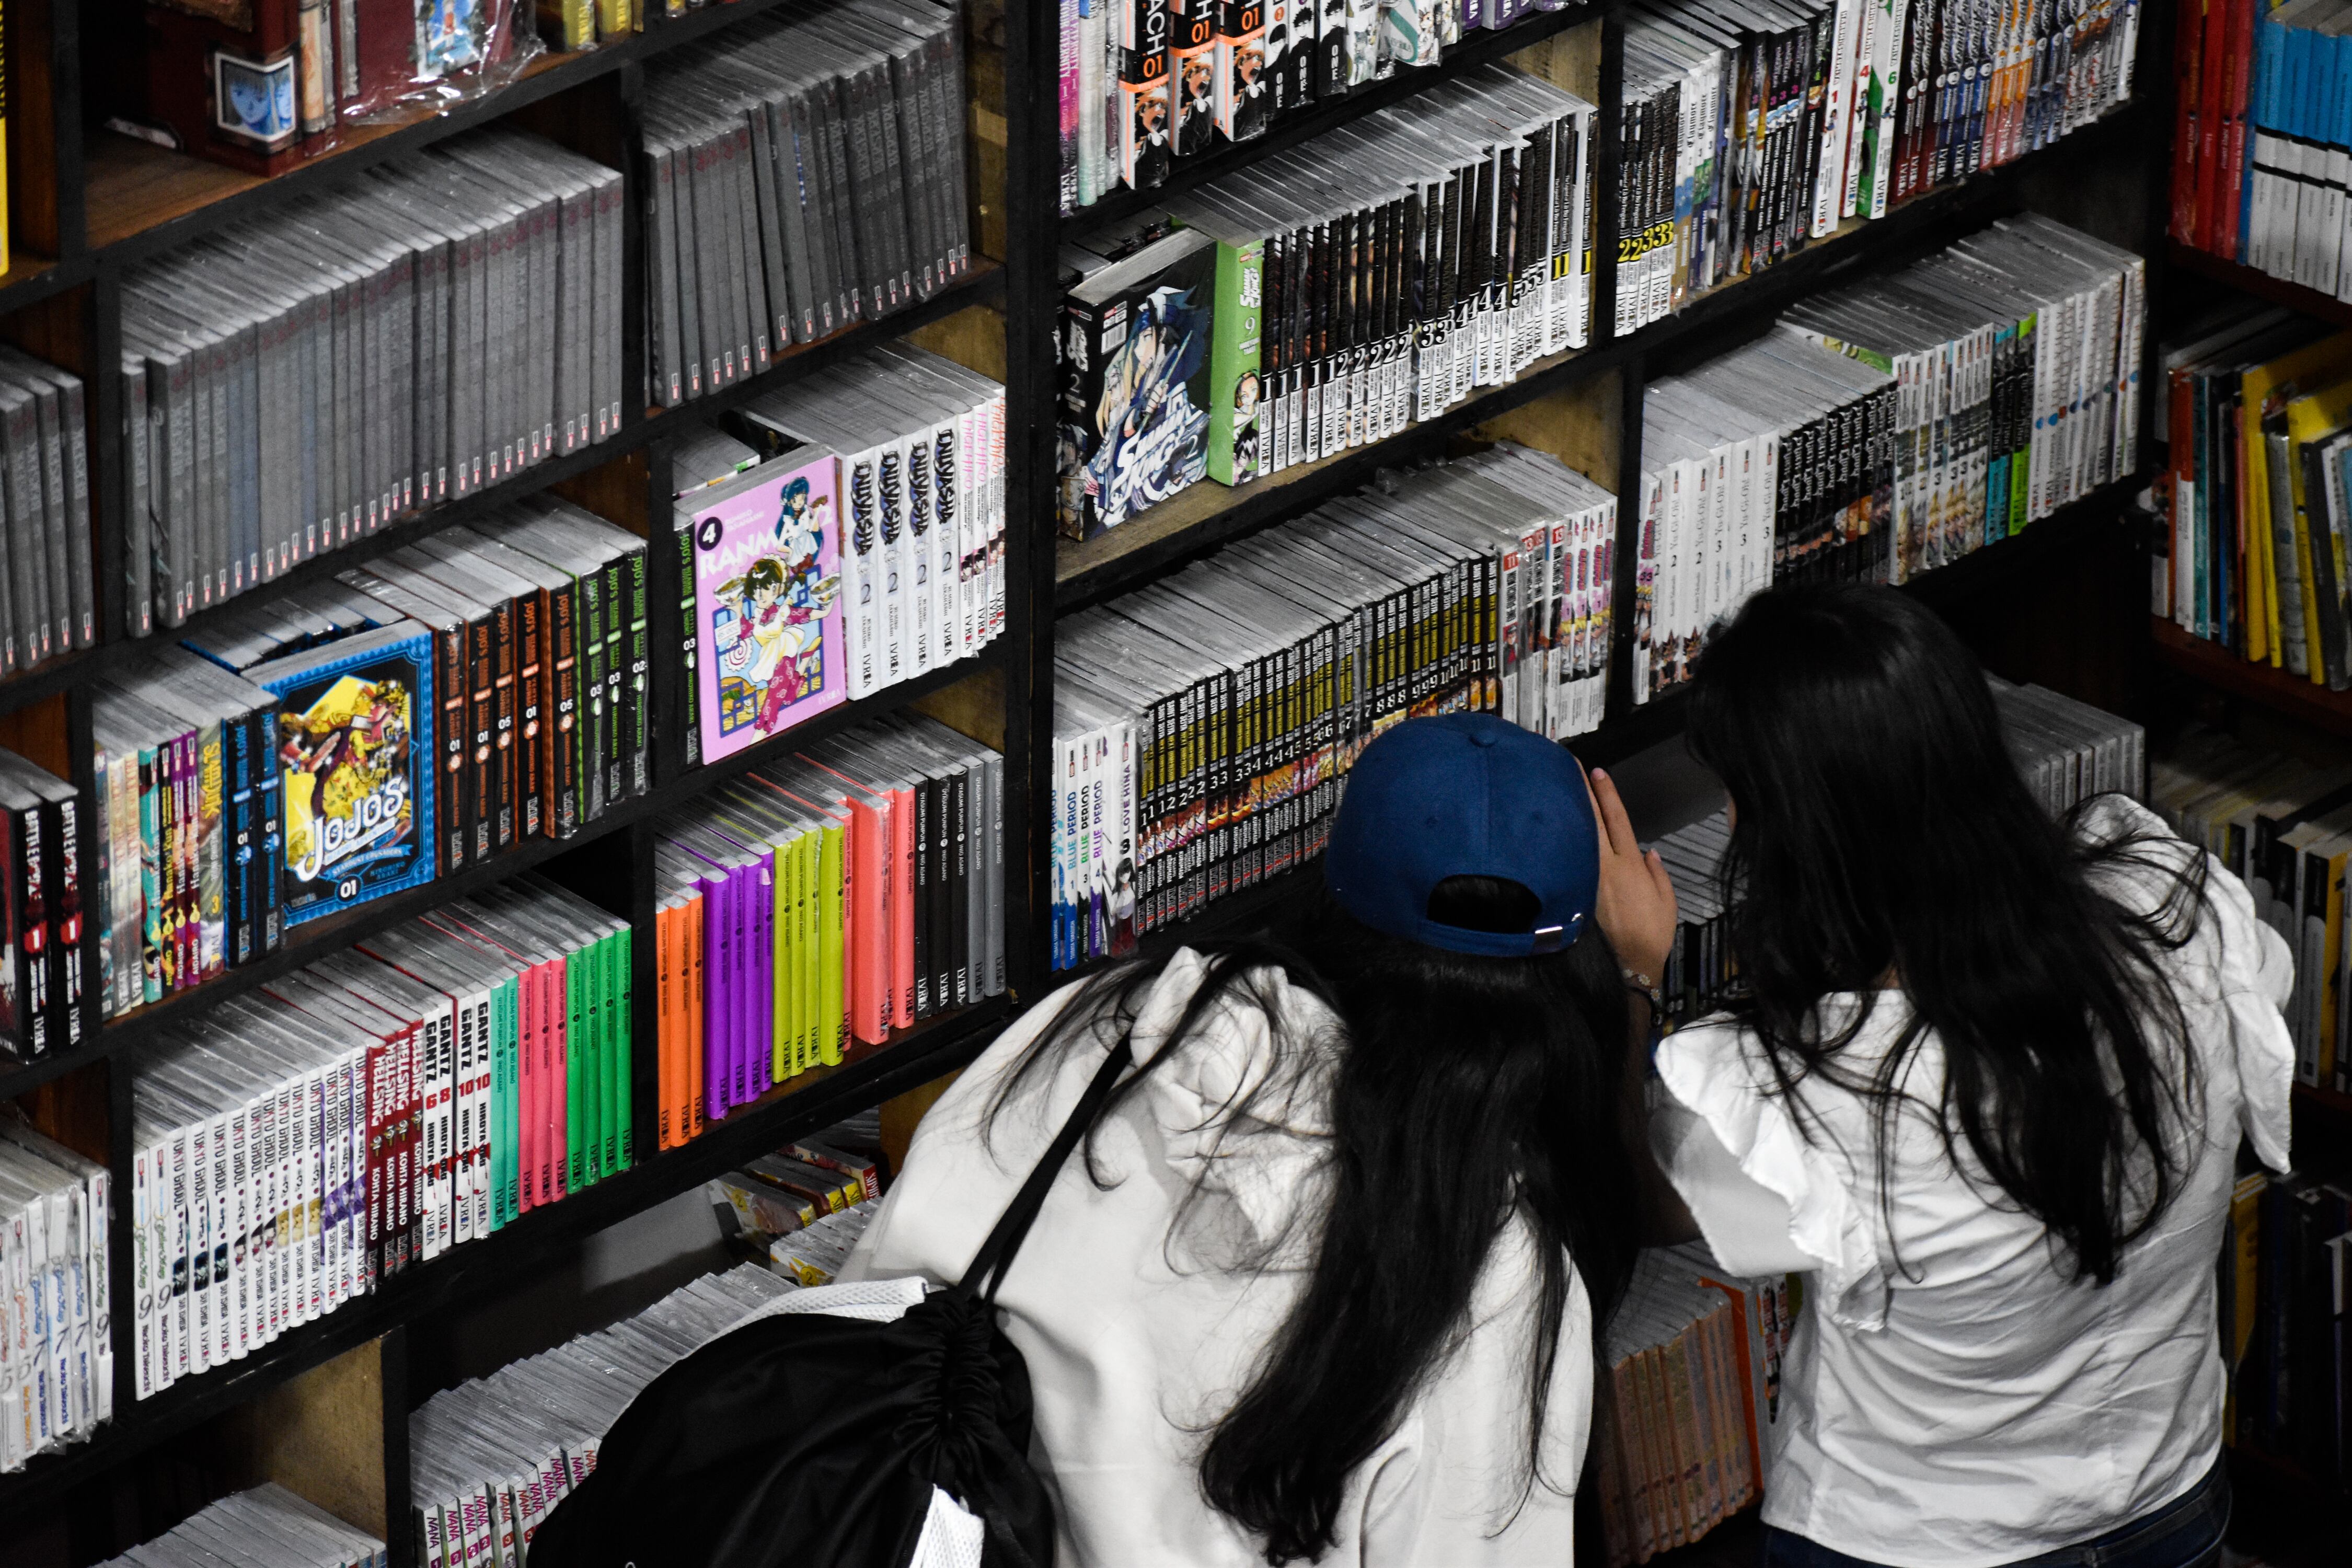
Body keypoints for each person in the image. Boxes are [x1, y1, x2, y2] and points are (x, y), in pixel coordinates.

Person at [845, 712, 1678, 1566]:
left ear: (1328, 891)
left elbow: (876, 1305)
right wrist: (1636, 985)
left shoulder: (1102, 1028)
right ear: (1568, 992)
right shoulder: (1493, 1267)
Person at [1634, 583, 2291, 1568]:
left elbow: (1642, 1202)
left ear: (1797, 836)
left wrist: (1630, 975)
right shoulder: (2182, 913)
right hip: (2171, 1501)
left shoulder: (1803, 1098)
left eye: (1738, 796)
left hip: (1916, 1541)